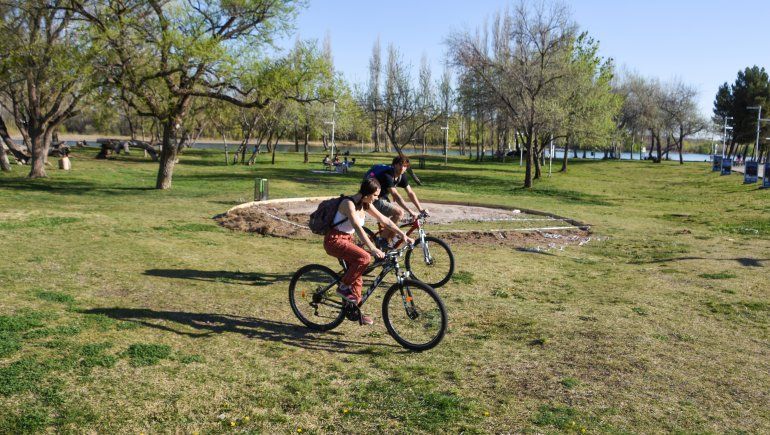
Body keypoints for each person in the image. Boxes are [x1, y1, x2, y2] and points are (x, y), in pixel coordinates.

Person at [324, 178, 413, 325]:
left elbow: (385, 220)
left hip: (347, 240)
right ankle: (343, 287)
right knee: (364, 258)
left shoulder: (366, 204)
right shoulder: (348, 204)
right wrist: (372, 248)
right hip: (334, 240)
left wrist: (402, 234)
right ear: (366, 194)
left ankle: (354, 311)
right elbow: (358, 228)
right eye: (375, 195)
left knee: (358, 276)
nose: (377, 198)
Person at [365, 155, 428, 246]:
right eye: (400, 165)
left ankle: (386, 246)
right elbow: (396, 195)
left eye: (405, 166)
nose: (403, 168)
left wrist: (420, 209)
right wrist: (411, 211)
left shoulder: (402, 176)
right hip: (372, 198)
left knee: (393, 225)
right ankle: (381, 240)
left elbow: (410, 193)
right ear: (394, 165)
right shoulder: (387, 174)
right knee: (399, 213)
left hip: (382, 197)